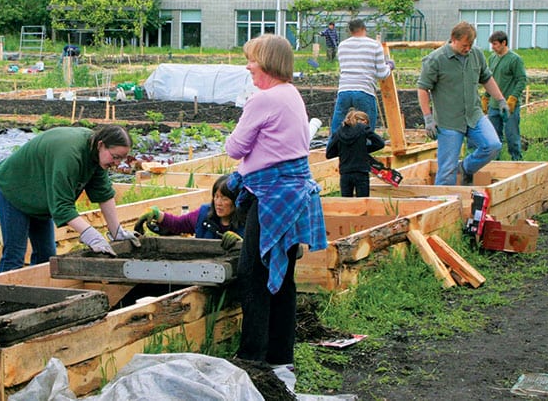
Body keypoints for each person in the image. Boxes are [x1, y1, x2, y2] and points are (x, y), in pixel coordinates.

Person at [224, 34, 328, 373]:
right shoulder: (291, 94)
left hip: (272, 196)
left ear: (266, 62)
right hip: (293, 193)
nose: (248, 65)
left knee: (253, 274)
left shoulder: (263, 100)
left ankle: (253, 358)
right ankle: (281, 358)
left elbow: (235, 148)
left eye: (252, 59)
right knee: (283, 280)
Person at [0, 125, 141, 272]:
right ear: (101, 145)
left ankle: (39, 293)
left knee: (46, 255)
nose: (116, 163)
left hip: (40, 193)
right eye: (115, 157)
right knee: (16, 254)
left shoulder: (96, 154)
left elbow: (103, 193)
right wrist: (90, 234)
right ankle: (0, 295)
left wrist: (117, 231)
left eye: (121, 159)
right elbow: (62, 206)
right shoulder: (70, 154)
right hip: (14, 187)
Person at [418, 21, 504, 186]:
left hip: (474, 115)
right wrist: (428, 118)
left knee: (492, 145)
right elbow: (423, 88)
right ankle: (440, 206)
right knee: (447, 170)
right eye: (465, 45)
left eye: (470, 45)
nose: (467, 49)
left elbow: (486, 78)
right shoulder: (436, 59)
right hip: (449, 121)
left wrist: (500, 100)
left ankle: (465, 168)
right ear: (453, 39)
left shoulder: (476, 54)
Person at [135, 174, 244, 249]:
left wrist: (241, 243)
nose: (218, 203)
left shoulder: (248, 223)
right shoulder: (204, 214)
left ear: (236, 201)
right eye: (216, 197)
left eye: (225, 199)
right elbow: (178, 224)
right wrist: (157, 214)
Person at [329, 19, 393, 139]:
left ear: (350, 31)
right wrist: (389, 65)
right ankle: (365, 149)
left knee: (337, 124)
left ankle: (333, 149)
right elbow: (382, 74)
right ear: (364, 29)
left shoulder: (342, 46)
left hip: (344, 89)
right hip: (364, 89)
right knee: (367, 126)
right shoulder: (374, 45)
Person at [482, 31, 527, 161]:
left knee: (512, 137)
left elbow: (521, 80)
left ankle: (517, 162)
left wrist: (513, 98)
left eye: (495, 44)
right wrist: (486, 96)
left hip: (509, 106)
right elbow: (489, 79)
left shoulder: (515, 59)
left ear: (504, 43)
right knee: (494, 139)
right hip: (494, 106)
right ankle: (496, 164)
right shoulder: (492, 59)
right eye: (492, 44)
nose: (493, 47)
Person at [326, 109, 386, 197]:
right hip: (361, 172)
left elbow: (329, 153)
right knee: (363, 203)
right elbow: (380, 143)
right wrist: (363, 150)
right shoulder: (363, 128)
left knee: (347, 204)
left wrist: (345, 152)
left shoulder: (339, 132)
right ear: (364, 121)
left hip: (345, 173)